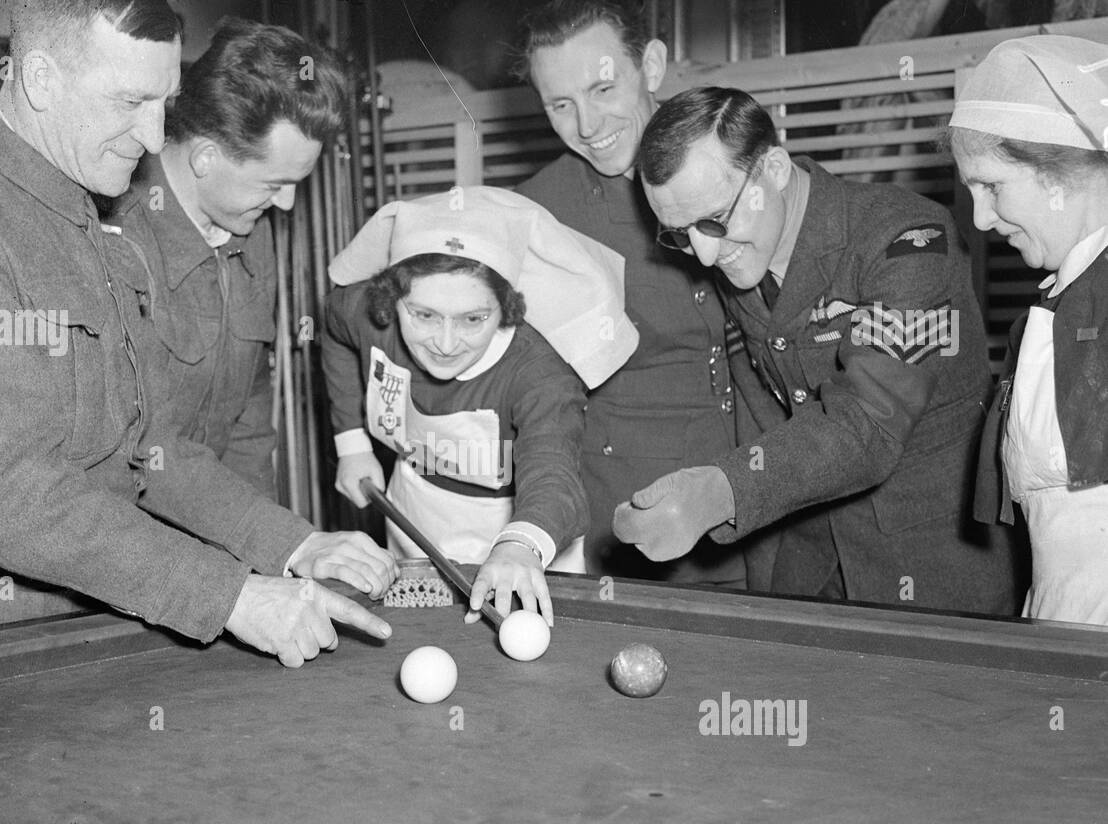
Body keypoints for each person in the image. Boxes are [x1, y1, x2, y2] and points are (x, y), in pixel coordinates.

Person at [0, 0, 396, 666]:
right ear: (40, 80)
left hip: (80, 602)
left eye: (164, 103)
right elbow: (14, 498)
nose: (156, 137)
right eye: (130, 101)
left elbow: (147, 447)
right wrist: (233, 595)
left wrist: (290, 545)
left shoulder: (72, 208)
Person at [615, 86, 1017, 614]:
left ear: (775, 169)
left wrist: (721, 492)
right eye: (681, 234)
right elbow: (763, 420)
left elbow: (867, 426)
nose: (706, 254)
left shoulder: (906, 239)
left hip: (929, 576)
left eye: (716, 219)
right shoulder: (741, 256)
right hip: (803, 576)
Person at [514, 0, 757, 587]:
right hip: (630, 532)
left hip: (760, 508)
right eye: (560, 105)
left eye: (602, 88)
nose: (589, 126)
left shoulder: (734, 154)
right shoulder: (537, 215)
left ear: (651, 66)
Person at [324, 186, 638, 623]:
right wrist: (351, 443)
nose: (446, 344)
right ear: (391, 298)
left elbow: (554, 474)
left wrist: (519, 545)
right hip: (414, 515)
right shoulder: (369, 315)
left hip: (524, 536)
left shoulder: (540, 371)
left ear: (507, 306)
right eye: (424, 315)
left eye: (473, 319)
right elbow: (333, 326)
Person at [106, 18, 346, 494]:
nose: (286, 205)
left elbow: (250, 421)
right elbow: (131, 452)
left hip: (221, 527)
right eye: (273, 184)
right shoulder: (114, 238)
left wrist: (271, 553)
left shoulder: (251, 230)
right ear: (205, 158)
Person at [948, 36, 1108, 625]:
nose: (982, 220)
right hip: (1055, 627)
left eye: (992, 186)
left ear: (1059, 170)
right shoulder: (1052, 309)